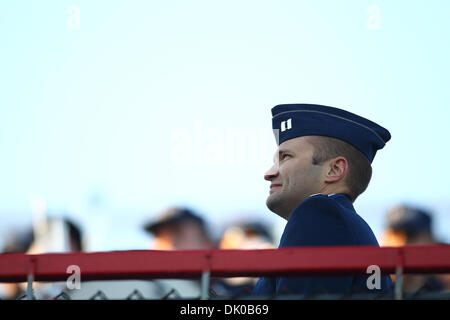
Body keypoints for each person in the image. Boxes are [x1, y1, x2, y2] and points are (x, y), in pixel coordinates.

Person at [253, 103, 393, 296]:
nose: (269, 173)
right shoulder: (351, 225)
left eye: (285, 157)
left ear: (334, 170)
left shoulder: (318, 213)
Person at [381, 205, 447, 293]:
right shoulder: (368, 286)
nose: (402, 243)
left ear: (430, 239)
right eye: (396, 235)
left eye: (411, 235)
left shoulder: (444, 292)